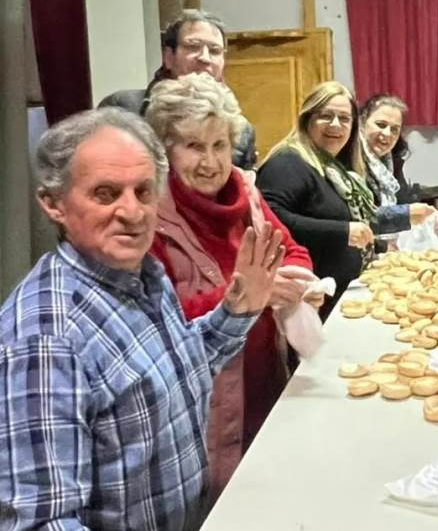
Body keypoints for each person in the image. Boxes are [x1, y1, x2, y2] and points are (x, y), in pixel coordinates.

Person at [0, 108, 282, 529]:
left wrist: (239, 309)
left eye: (144, 192)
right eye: (106, 194)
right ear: (53, 203)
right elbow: (44, 521)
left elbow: (182, 368)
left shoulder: (143, 274)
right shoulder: (45, 338)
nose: (131, 213)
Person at [144, 73, 320, 501]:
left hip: (266, 379)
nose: (210, 162)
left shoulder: (248, 197)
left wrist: (284, 281)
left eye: (219, 145)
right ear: (166, 148)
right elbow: (157, 323)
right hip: (206, 409)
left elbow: (294, 252)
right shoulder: (150, 221)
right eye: (194, 146)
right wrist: (241, 298)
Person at [257, 82, 430, 317]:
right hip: (303, 300)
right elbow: (272, 221)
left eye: (344, 118)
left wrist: (375, 242)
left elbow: (344, 217)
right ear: (307, 119)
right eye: (326, 116)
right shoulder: (288, 162)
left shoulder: (332, 166)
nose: (336, 125)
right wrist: (342, 231)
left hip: (335, 296)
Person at [98, 9, 258, 170]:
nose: (205, 58)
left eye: (214, 51)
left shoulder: (242, 130)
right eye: (193, 47)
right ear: (168, 57)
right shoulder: (122, 110)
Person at [358, 93, 438, 247]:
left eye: (394, 129)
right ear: (362, 122)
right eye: (381, 125)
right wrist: (406, 214)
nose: (387, 134)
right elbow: (358, 217)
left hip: (389, 247)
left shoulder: (392, 161)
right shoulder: (351, 159)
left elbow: (404, 201)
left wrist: (426, 212)